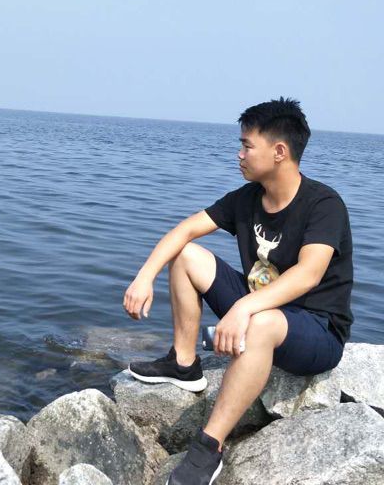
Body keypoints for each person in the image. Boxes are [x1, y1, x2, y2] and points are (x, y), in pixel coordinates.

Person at [122, 97, 353, 485]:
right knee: (187, 254)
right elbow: (185, 230)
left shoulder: (323, 204)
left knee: (261, 322)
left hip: (317, 329)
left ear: (279, 152)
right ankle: (184, 363)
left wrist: (243, 309)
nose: (239, 154)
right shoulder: (247, 198)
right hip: (262, 310)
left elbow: (308, 275)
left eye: (247, 145)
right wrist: (145, 276)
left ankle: (208, 448)